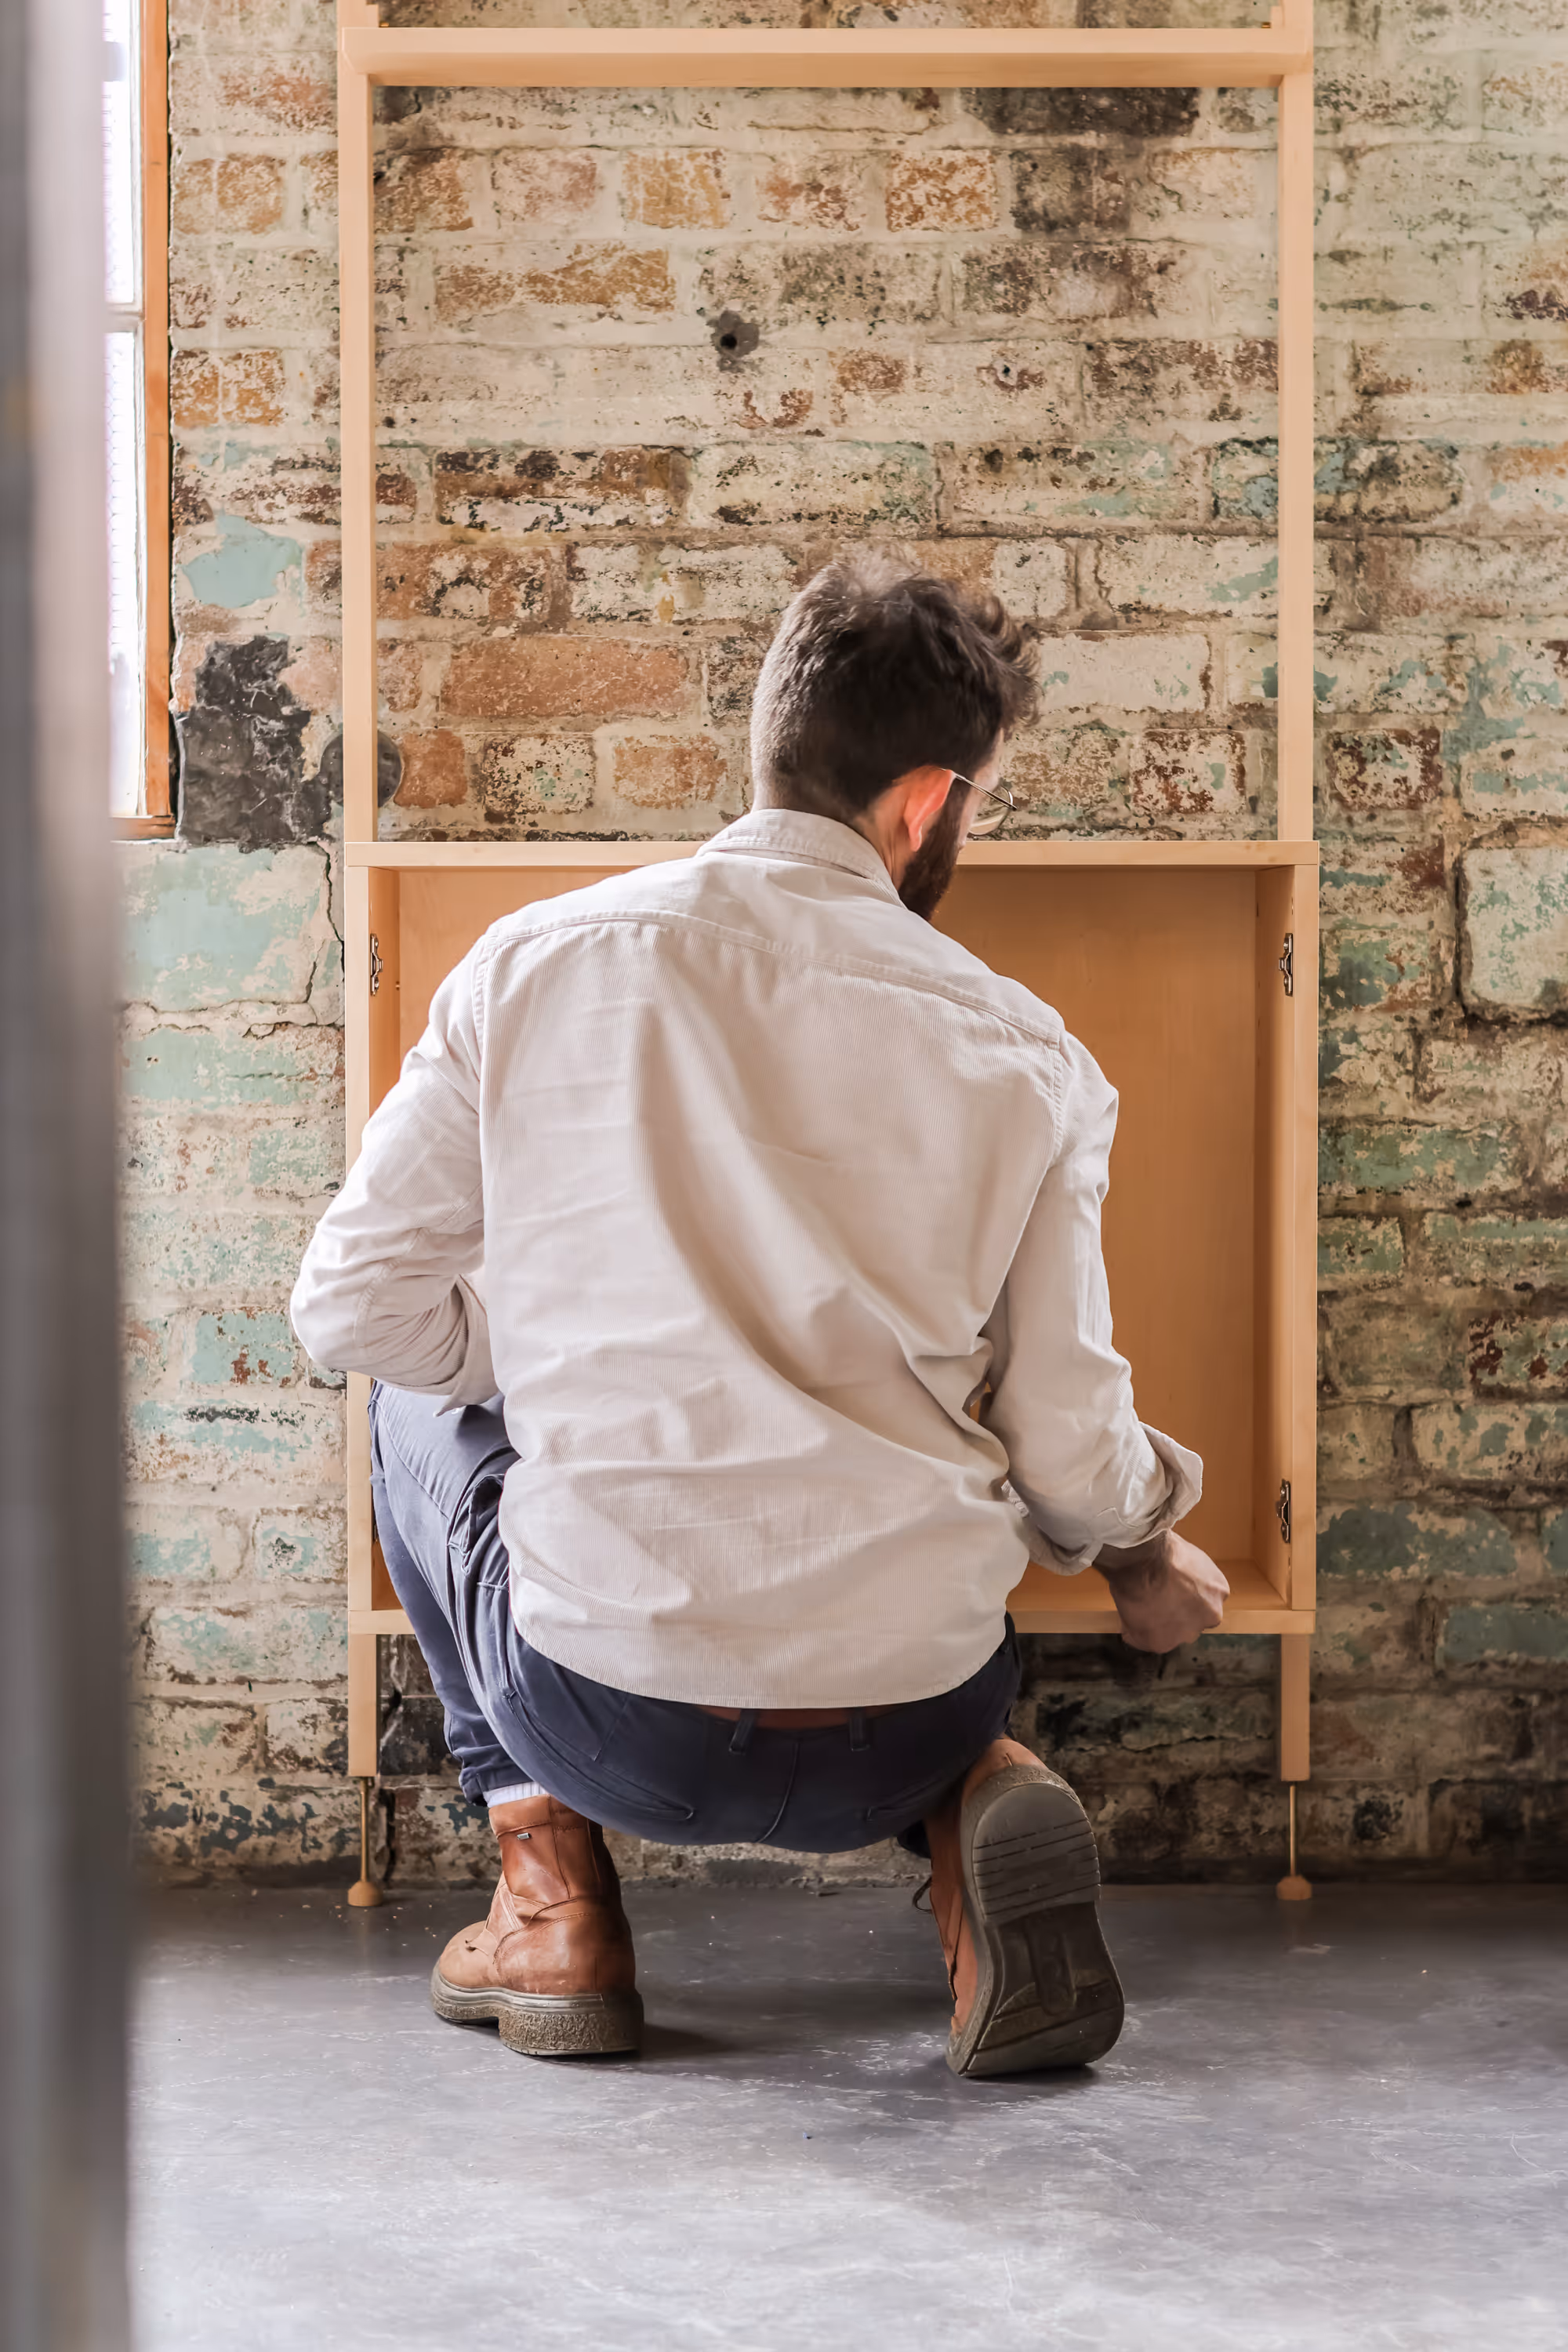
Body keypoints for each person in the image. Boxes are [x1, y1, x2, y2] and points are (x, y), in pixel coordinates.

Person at [291, 557, 1227, 2078]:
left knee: (416, 1385)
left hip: (604, 1723)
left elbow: (349, 1306)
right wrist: (1138, 1548)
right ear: (928, 802)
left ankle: (552, 1899)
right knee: (957, 1422)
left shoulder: (533, 965)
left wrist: (554, 1360)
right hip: (912, 1708)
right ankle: (968, 1823)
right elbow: (1062, 1443)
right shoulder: (1029, 1053)